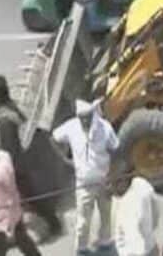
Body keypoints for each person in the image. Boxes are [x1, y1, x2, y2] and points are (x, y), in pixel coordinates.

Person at [0, 75, 63, 238]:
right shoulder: (6, 107)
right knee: (24, 197)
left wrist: (5, 170)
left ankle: (53, 224)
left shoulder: (5, 121)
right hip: (17, 164)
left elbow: (9, 149)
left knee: (29, 197)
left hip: (15, 167)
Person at [52, 99, 119, 255]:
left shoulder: (104, 127)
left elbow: (115, 149)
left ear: (93, 115)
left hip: (104, 181)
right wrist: (64, 159)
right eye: (82, 118)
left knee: (106, 215)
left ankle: (105, 243)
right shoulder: (71, 127)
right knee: (83, 221)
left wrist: (113, 176)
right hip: (83, 184)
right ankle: (81, 249)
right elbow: (53, 138)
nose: (85, 121)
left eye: (88, 117)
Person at [111, 169, 160, 256]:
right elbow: (156, 211)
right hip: (150, 245)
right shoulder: (142, 184)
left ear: (122, 181)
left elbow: (135, 240)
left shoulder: (127, 205)